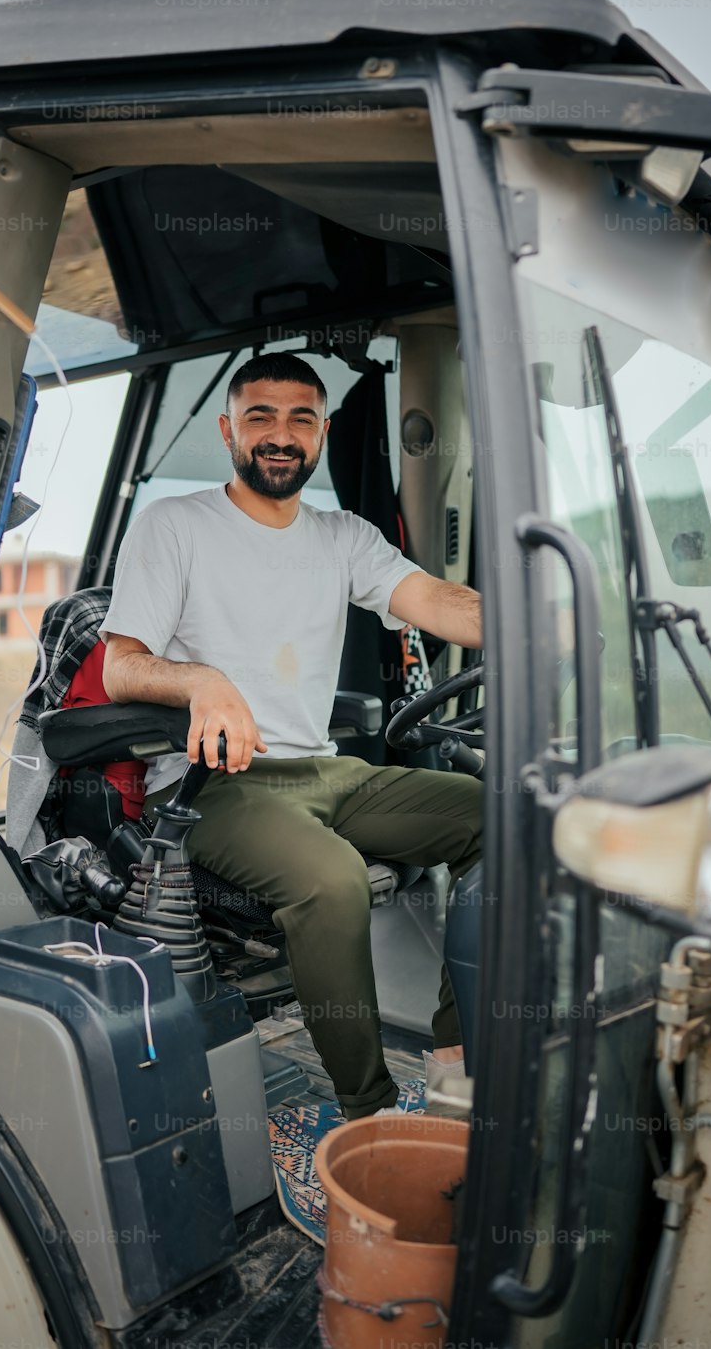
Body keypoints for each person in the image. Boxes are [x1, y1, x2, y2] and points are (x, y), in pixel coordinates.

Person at [100, 351, 482, 1119]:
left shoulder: (344, 536)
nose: (281, 434)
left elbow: (435, 600)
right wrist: (202, 681)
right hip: (219, 785)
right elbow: (122, 667)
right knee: (333, 880)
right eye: (261, 416)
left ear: (323, 433)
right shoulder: (175, 526)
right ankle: (367, 1113)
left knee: (501, 814)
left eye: (301, 418)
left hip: (328, 772)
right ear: (228, 428)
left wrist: (538, 617)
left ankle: (454, 1067)